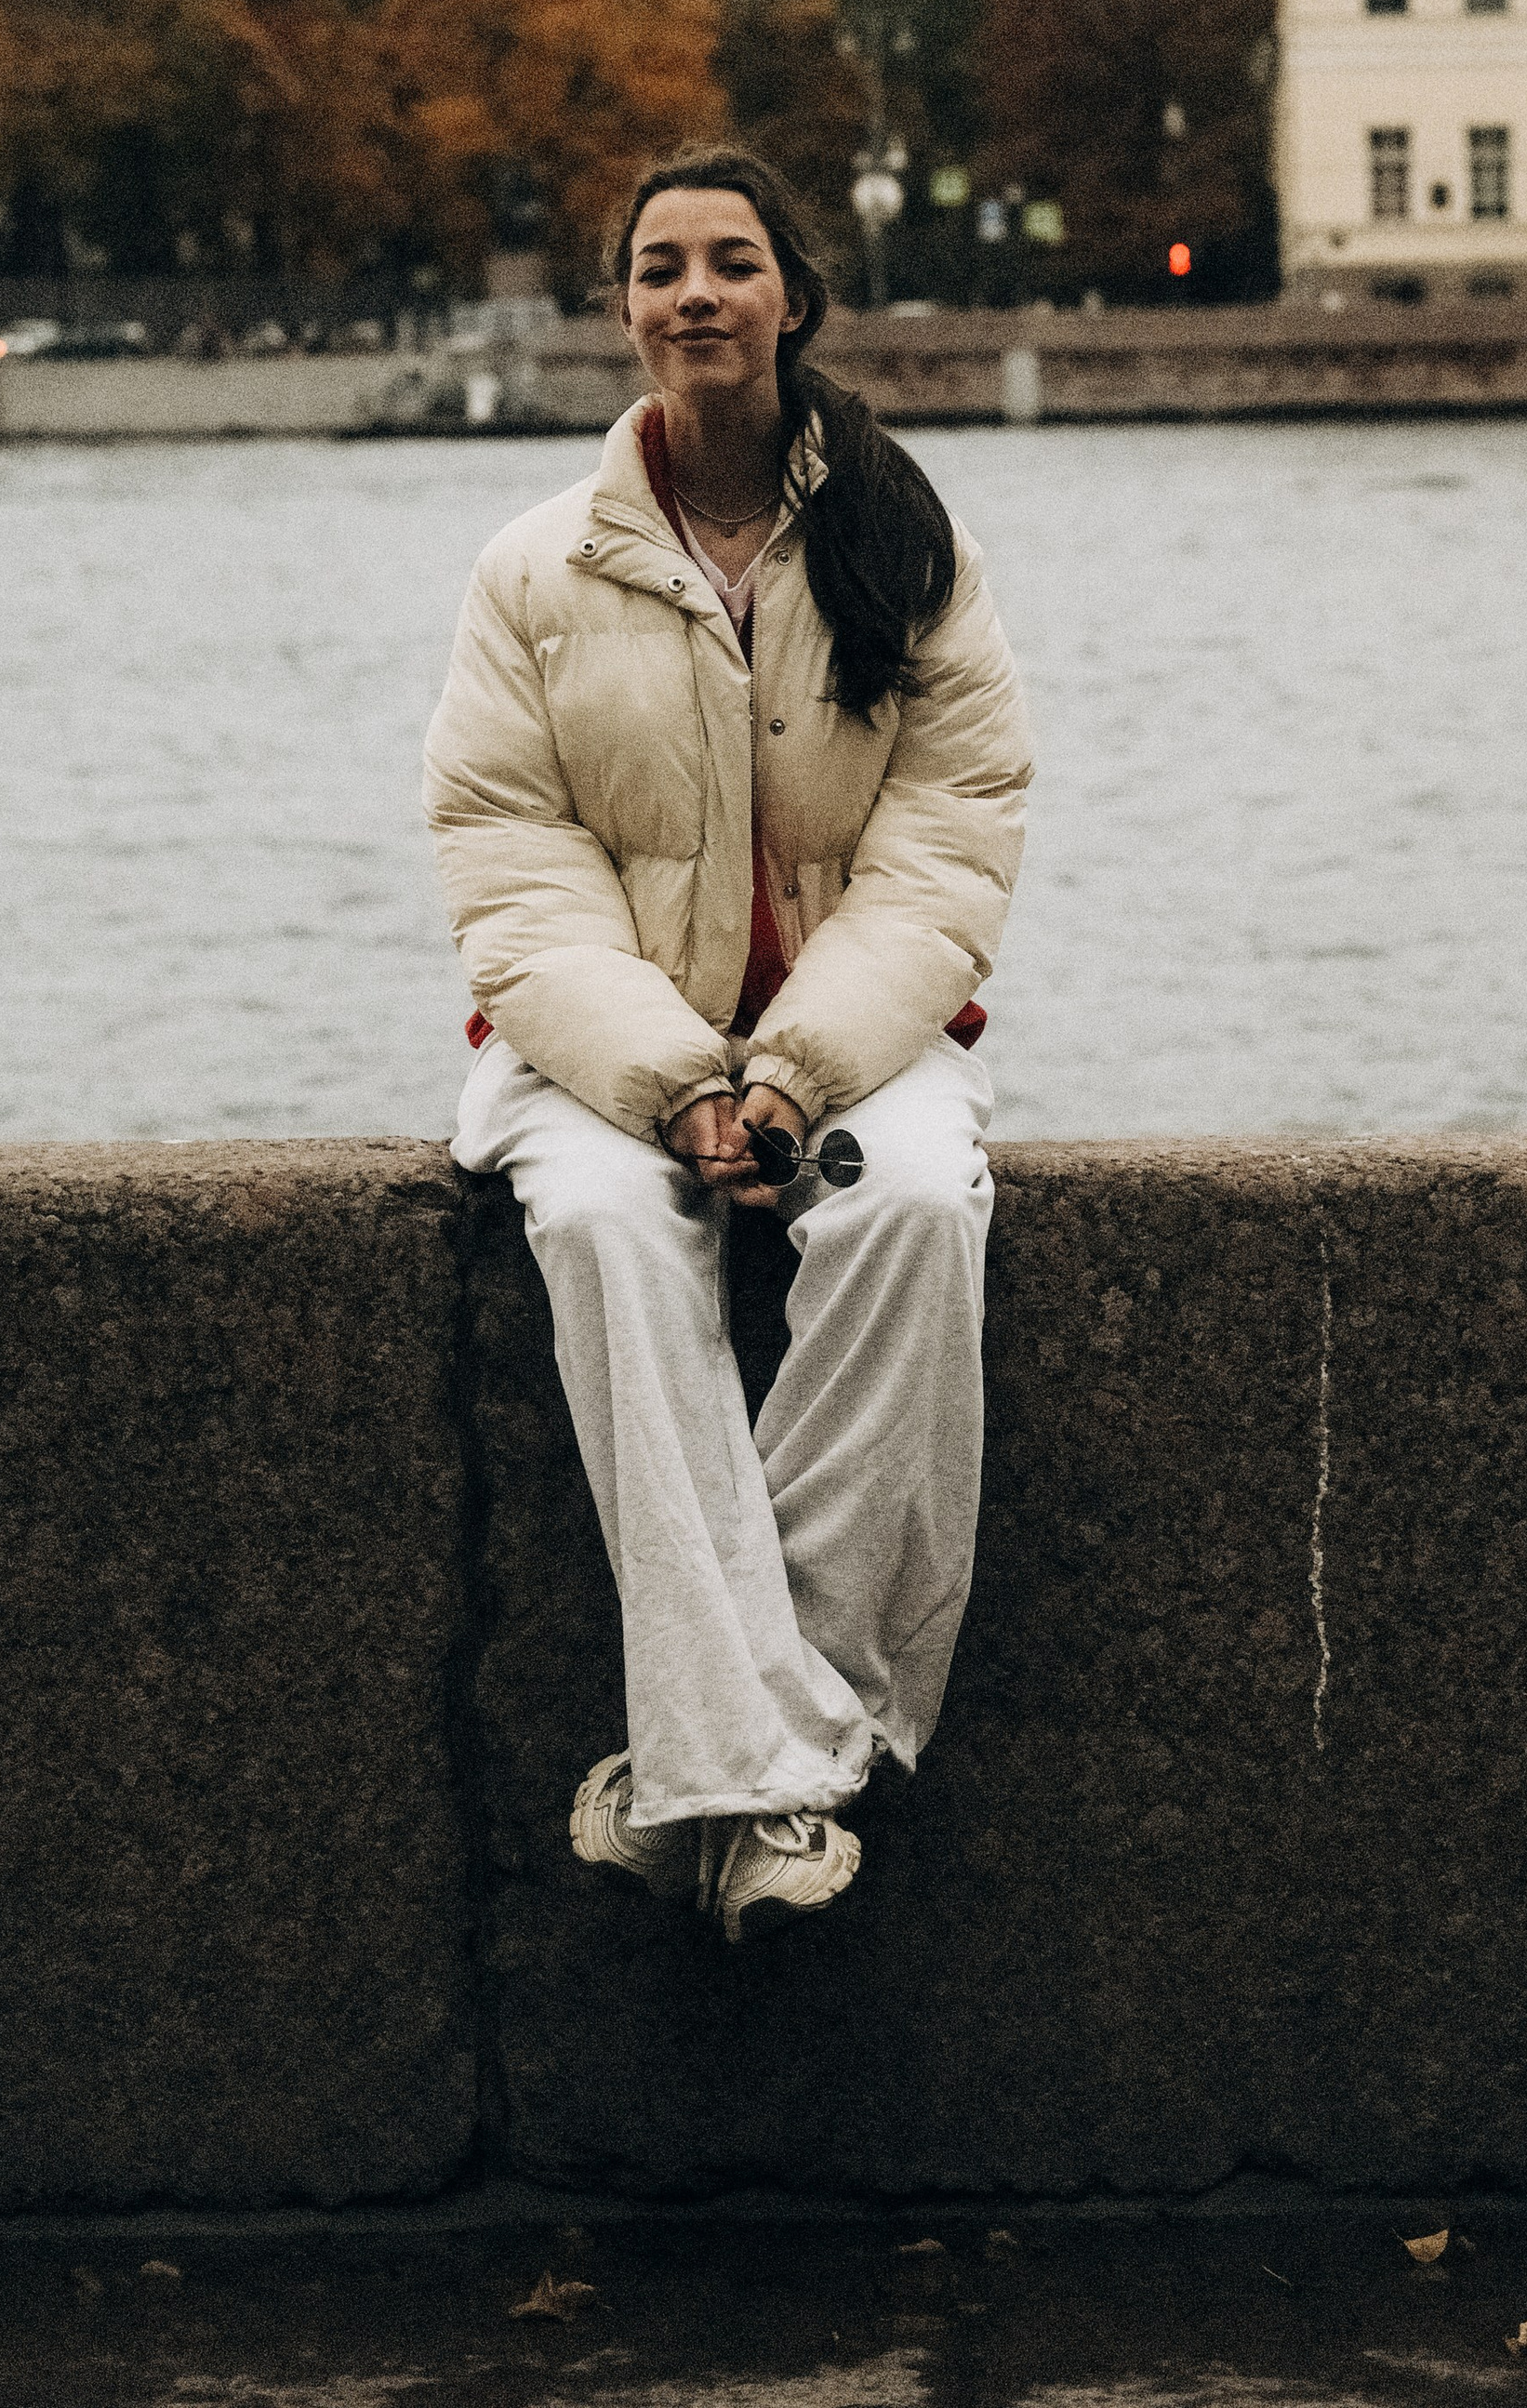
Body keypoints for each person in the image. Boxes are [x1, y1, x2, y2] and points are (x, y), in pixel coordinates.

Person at [425, 150, 1032, 1945]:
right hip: (599, 1050)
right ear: (624, 312)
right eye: (660, 268)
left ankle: (742, 1757)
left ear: (792, 300)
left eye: (732, 264)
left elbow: (950, 840)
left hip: (860, 1037)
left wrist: (793, 1071)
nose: (695, 294)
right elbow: (507, 864)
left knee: (918, 1210)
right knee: (610, 1230)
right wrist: (683, 1082)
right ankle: (783, 1774)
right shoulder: (532, 571)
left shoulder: (909, 543)